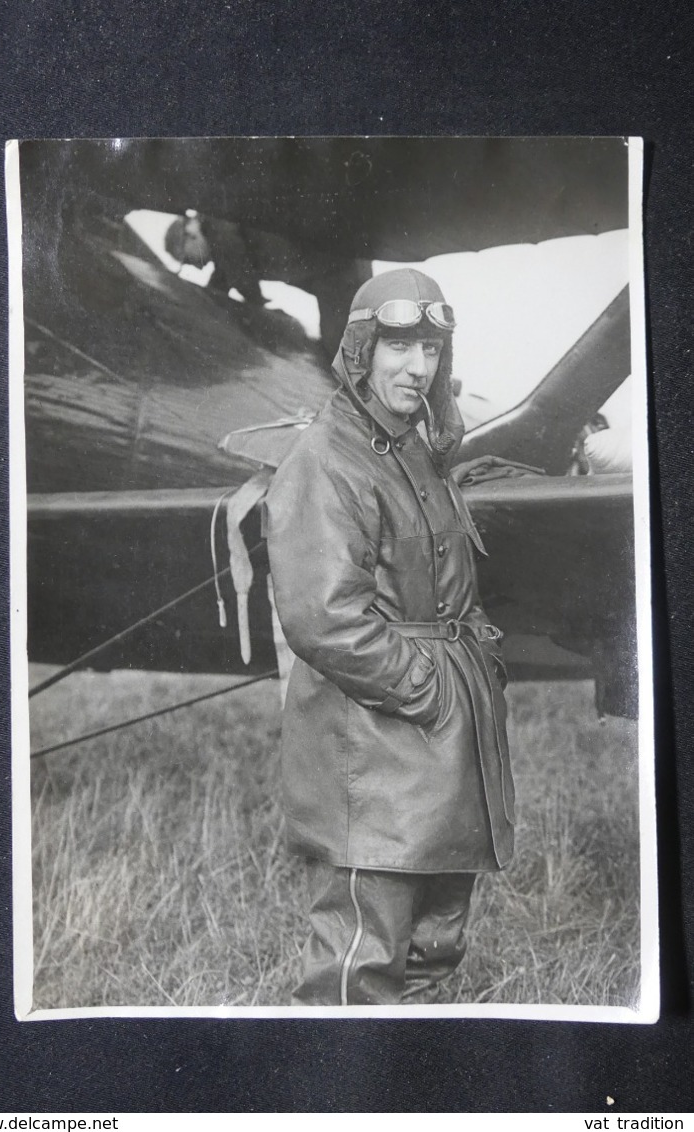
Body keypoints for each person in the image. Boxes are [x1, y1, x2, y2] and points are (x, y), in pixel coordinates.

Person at [265, 268, 515, 1006]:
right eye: (399, 345)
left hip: (440, 749)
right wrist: (432, 690)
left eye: (431, 349)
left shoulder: (411, 448)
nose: (417, 366)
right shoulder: (328, 459)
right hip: (374, 751)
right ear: (361, 350)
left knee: (434, 948)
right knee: (360, 968)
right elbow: (323, 619)